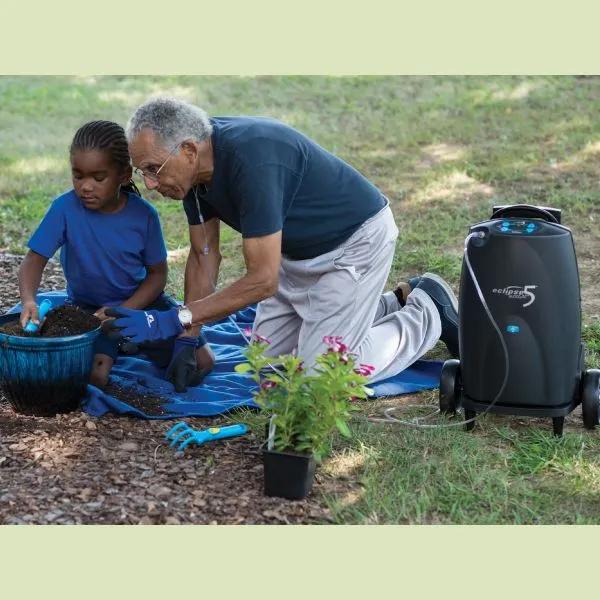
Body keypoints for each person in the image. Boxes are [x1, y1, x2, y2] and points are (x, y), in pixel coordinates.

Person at [104, 98, 458, 383]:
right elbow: (203, 255)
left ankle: (427, 310)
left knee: (321, 378)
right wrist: (187, 338)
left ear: (188, 151)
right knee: (269, 368)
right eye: (143, 172)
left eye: (153, 168)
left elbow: (262, 279)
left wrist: (173, 319)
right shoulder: (191, 174)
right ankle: (391, 302)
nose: (149, 183)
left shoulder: (252, 162)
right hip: (294, 255)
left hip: (353, 245)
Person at [19, 119, 215, 391]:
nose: (86, 186)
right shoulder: (64, 209)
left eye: (98, 178)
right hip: (89, 310)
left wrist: (127, 311)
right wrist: (29, 299)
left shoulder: (144, 216)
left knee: (203, 361)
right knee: (96, 377)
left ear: (124, 175)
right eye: (78, 175)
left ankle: (132, 340)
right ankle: (125, 344)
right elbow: (33, 260)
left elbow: (158, 275)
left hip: (142, 304)